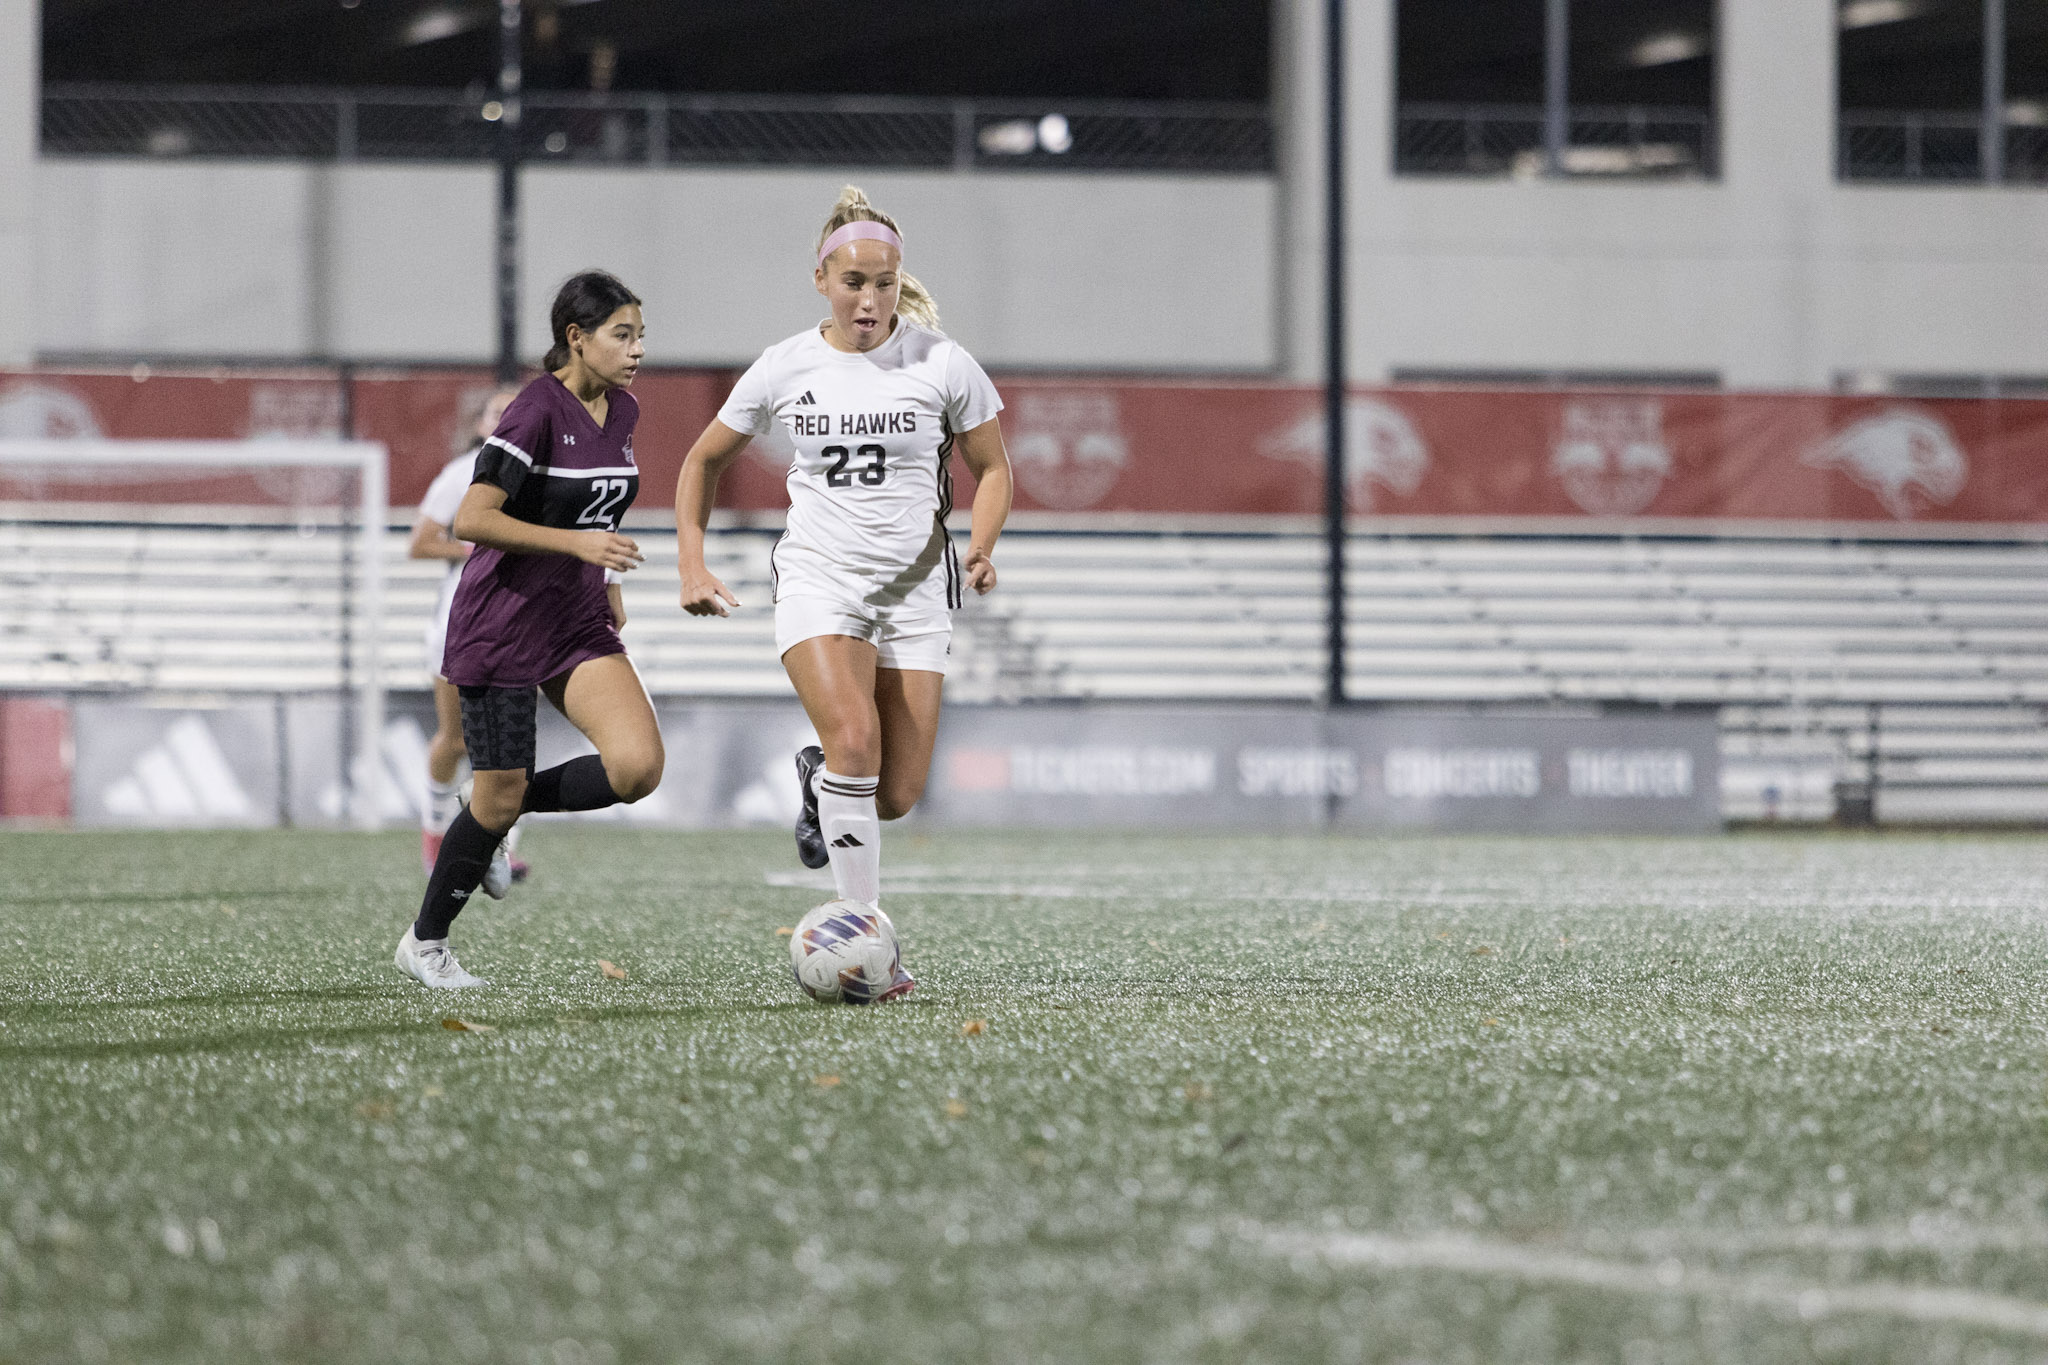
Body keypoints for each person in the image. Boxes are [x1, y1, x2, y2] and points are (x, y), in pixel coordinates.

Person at [674, 185, 1014, 996]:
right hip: (820, 578)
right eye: (854, 282)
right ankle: (869, 944)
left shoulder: (943, 362)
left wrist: (982, 546)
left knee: (894, 794)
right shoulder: (785, 365)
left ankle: (816, 777)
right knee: (857, 741)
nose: (869, 299)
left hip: (916, 591)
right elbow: (703, 459)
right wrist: (691, 561)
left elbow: (994, 468)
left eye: (884, 283)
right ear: (822, 279)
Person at [395, 270, 665, 990]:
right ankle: (425, 942)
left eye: (641, 335)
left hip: (576, 619)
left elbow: (601, 505)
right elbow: (472, 518)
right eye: (622, 335)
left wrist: (607, 580)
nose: (638, 349)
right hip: (503, 621)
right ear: (576, 337)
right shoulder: (533, 411)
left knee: (637, 768)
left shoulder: (624, 409)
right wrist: (578, 546)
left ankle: (490, 806)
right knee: (498, 796)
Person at [409, 387, 530, 881]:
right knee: (456, 739)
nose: (508, 419)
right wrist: (477, 548)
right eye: (498, 412)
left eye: (517, 412)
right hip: (460, 621)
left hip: (519, 620)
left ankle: (501, 848)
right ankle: (435, 830)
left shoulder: (544, 473)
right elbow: (420, 543)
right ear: (481, 425)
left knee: (513, 742)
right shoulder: (462, 474)